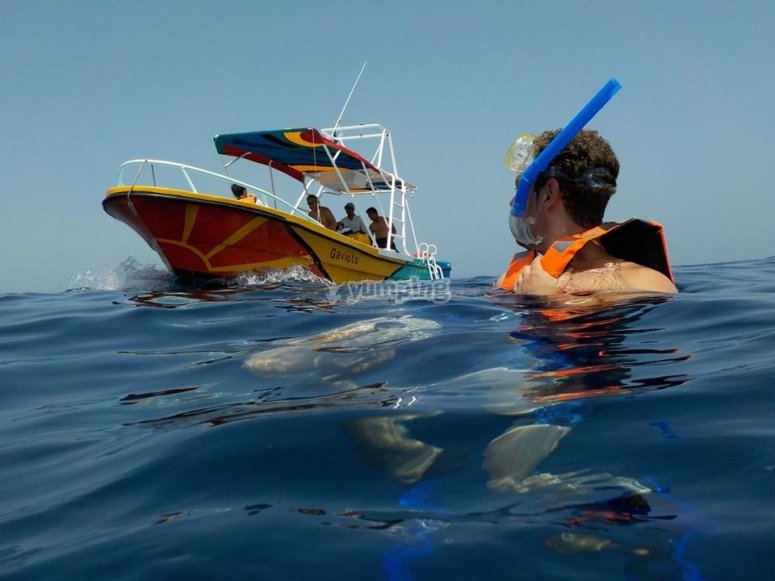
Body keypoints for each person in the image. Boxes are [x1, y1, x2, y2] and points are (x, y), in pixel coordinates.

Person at [496, 129, 677, 295]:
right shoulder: (511, 280)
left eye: (520, 190)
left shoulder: (644, 285)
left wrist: (548, 300)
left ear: (548, 194)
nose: (513, 201)